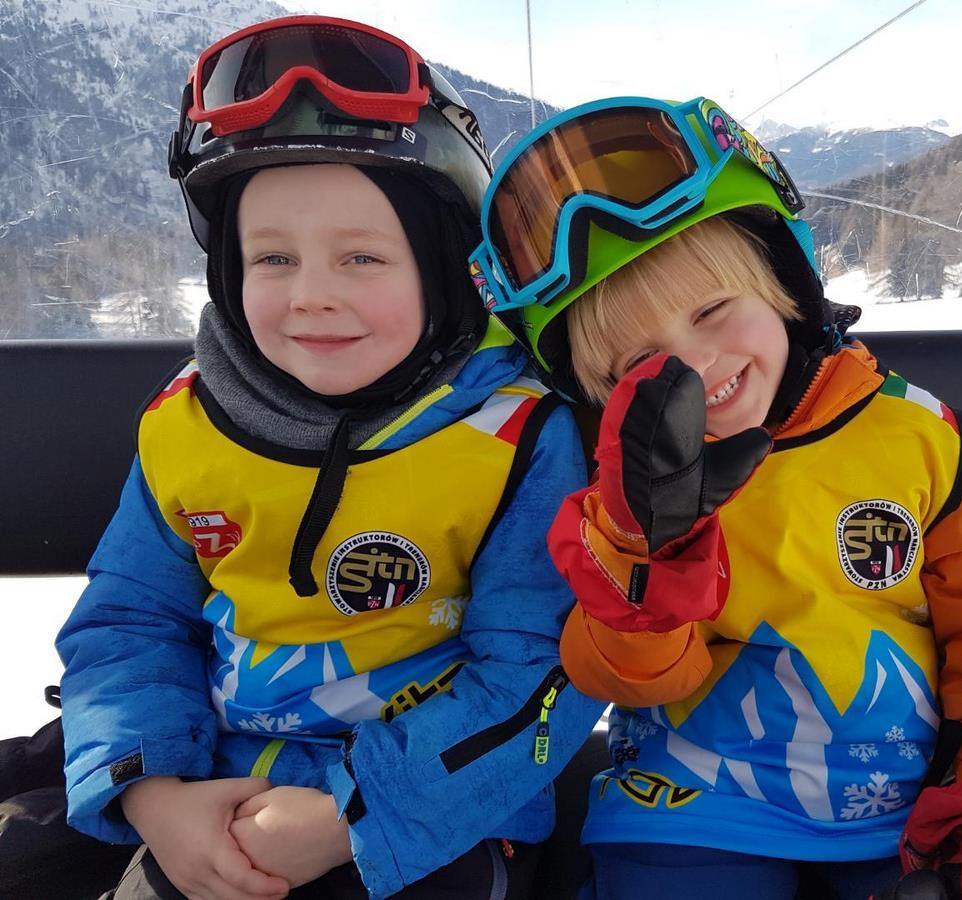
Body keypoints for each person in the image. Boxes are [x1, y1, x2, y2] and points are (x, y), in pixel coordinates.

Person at [468, 96, 962, 898]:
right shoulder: (615, 493)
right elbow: (628, 679)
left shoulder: (914, 437)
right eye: (641, 361)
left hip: (899, 807)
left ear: (783, 283)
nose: (696, 363)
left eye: (711, 310)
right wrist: (642, 553)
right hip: (688, 807)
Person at [53, 16, 603, 899]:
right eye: (273, 256)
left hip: (432, 814)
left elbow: (539, 670)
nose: (312, 295)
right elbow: (130, 620)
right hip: (211, 790)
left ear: (445, 267)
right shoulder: (189, 425)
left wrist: (355, 814)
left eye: (362, 257)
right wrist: (152, 791)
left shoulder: (516, 436)